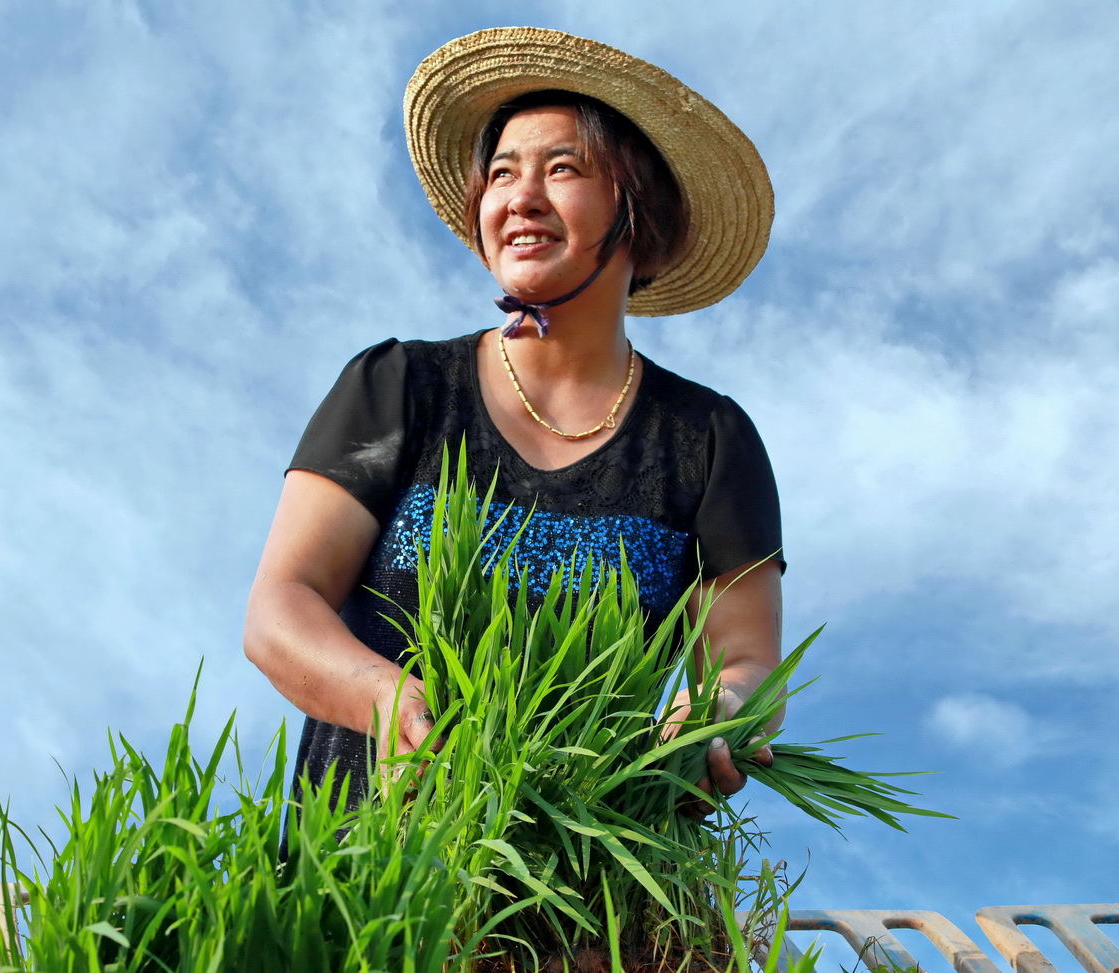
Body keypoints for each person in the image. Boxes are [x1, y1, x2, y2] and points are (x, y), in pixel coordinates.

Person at [244, 27, 784, 822]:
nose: (520, 197)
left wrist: (717, 716)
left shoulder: (707, 440)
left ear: (637, 207)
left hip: (595, 896)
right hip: (370, 885)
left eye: (562, 168)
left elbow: (743, 662)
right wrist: (383, 697)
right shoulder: (398, 388)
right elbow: (279, 606)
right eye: (501, 174)